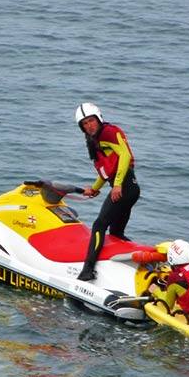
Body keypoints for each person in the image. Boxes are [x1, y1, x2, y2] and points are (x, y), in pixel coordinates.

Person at [74, 102, 141, 281]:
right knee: (116, 233)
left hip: (125, 187)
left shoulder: (109, 132)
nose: (89, 126)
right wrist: (94, 189)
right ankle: (130, 265)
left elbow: (125, 155)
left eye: (91, 121)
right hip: (126, 188)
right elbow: (107, 171)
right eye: (85, 124)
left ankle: (87, 270)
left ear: (98, 118)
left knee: (99, 226)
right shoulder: (95, 140)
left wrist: (118, 184)